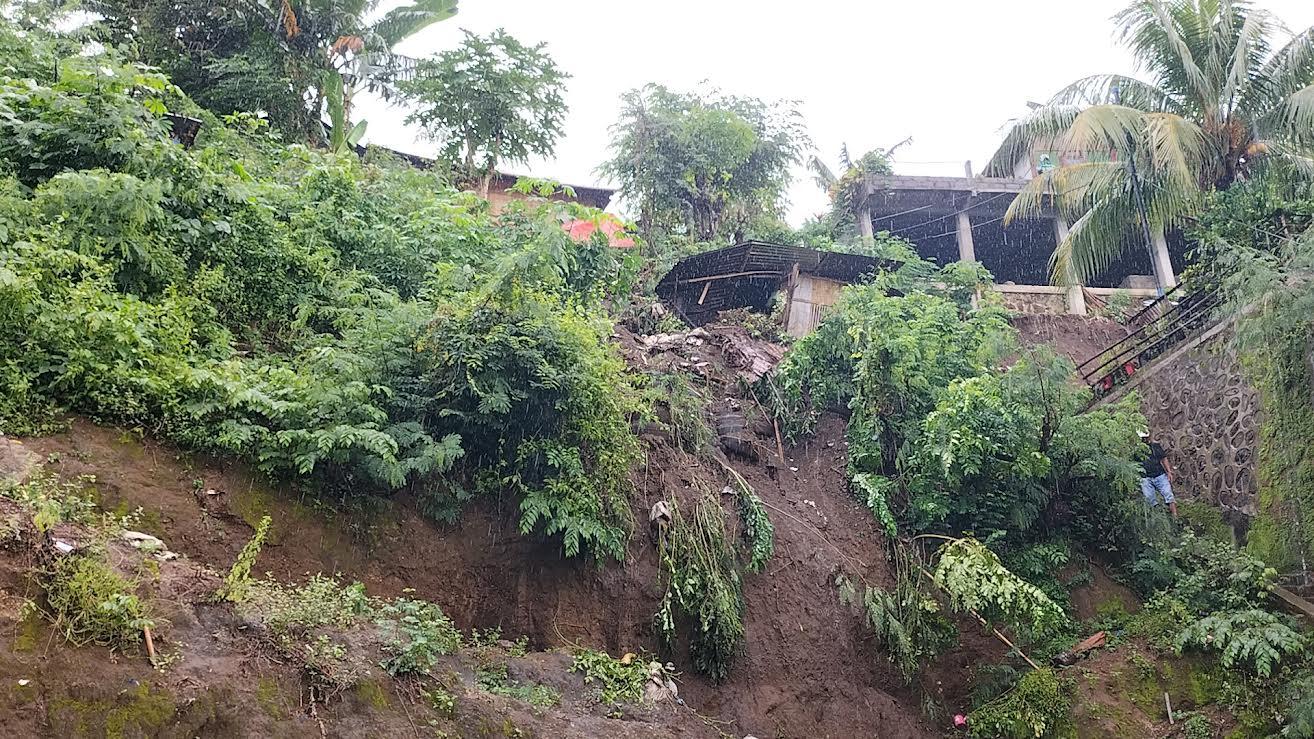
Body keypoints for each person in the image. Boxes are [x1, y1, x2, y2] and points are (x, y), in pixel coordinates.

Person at [1138, 429, 1177, 517]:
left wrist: (1169, 472)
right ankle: (1157, 518)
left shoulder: (1155, 446)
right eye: (1142, 438)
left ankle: (1175, 517)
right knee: (1149, 499)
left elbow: (1163, 458)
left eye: (1145, 438)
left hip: (1159, 475)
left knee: (1169, 495)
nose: (1144, 440)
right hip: (1145, 477)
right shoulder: (1136, 450)